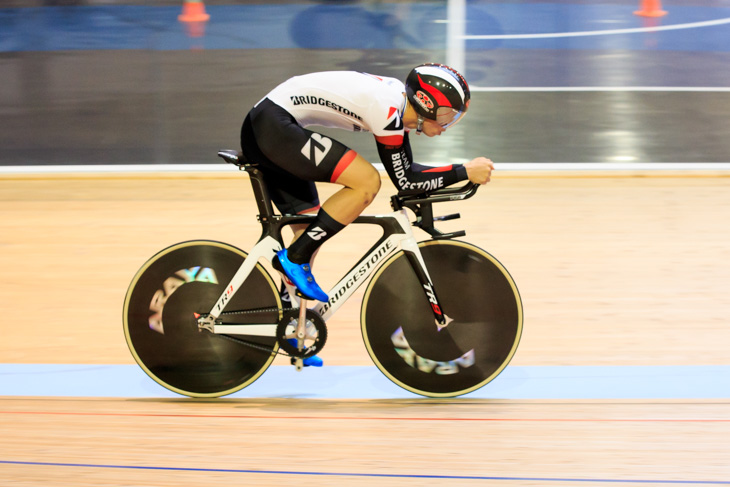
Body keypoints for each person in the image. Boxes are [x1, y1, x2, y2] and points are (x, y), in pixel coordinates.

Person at [240, 64, 494, 363]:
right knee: (366, 181)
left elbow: (408, 174)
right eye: (447, 116)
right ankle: (292, 259)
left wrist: (460, 172)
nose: (447, 125)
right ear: (426, 103)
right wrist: (464, 170)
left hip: (271, 125)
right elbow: (406, 181)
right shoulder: (387, 109)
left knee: (309, 228)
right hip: (272, 126)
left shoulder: (396, 107)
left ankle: (295, 329)